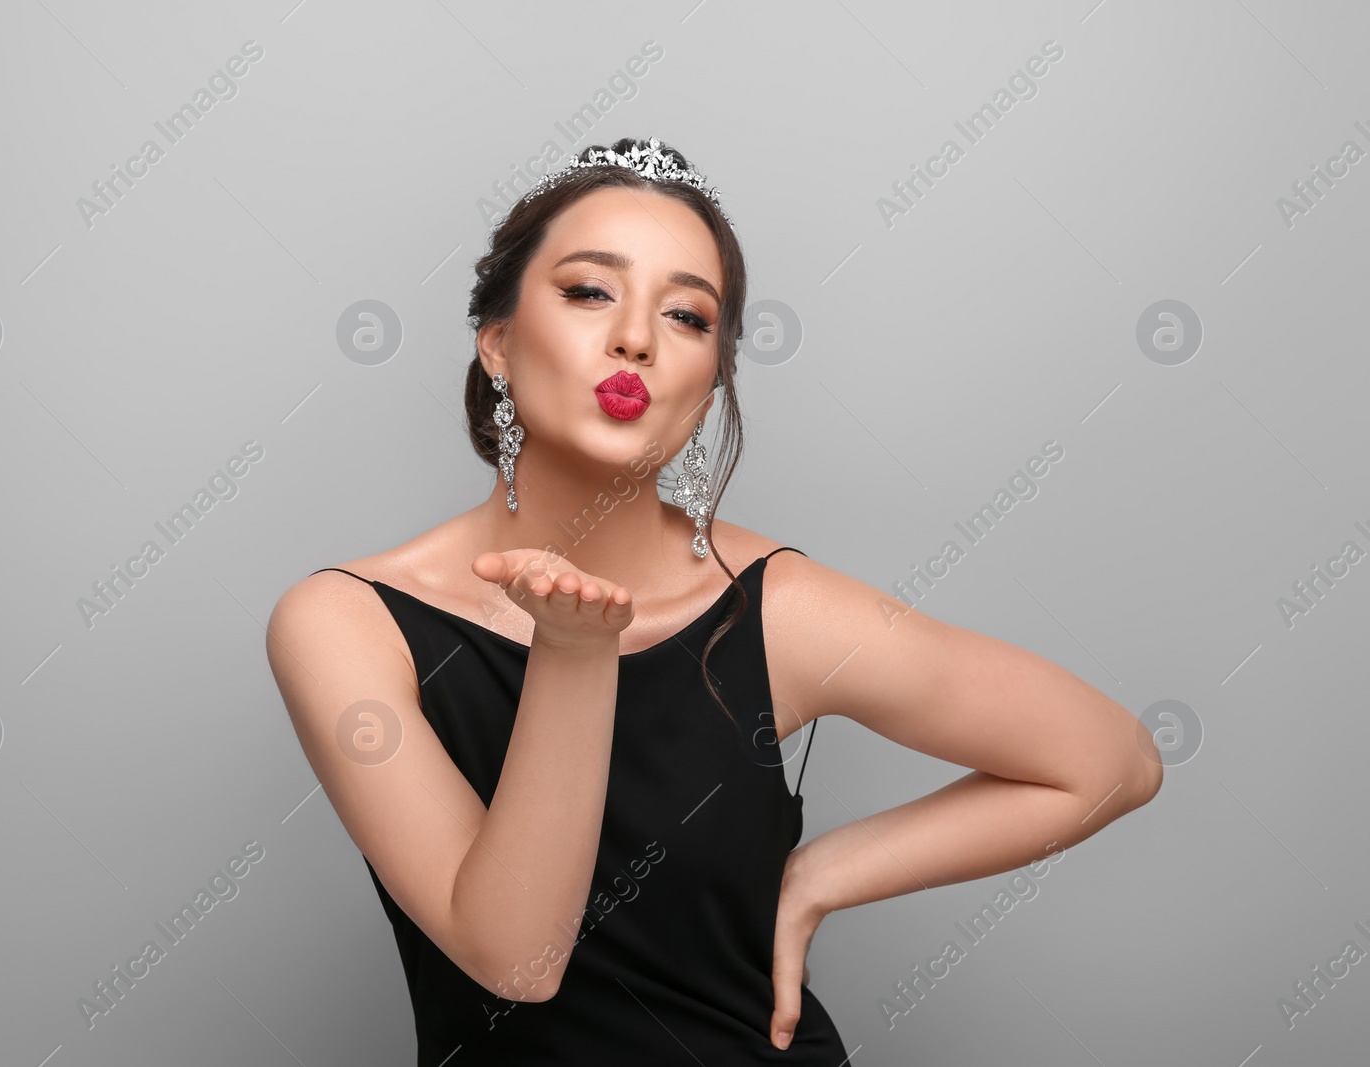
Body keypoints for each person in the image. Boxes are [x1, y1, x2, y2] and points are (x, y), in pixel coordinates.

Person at [266, 137, 1163, 1064]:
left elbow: (1113, 759)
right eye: (588, 291)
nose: (637, 339)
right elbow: (516, 959)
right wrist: (575, 653)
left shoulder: (773, 605)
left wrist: (823, 873)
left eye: (688, 316)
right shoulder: (345, 622)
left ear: (710, 381)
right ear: (496, 340)